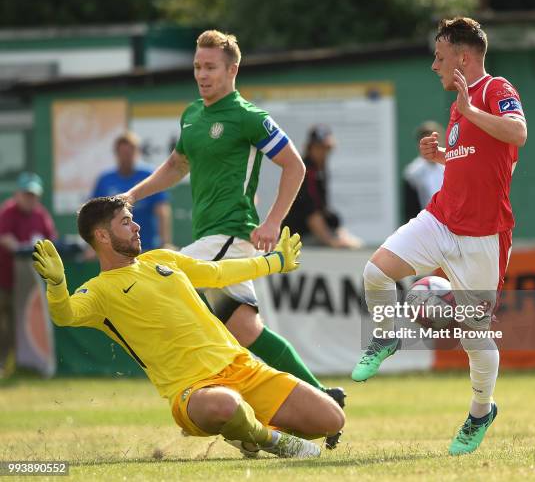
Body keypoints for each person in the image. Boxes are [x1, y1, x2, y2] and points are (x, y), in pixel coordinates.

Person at [120, 30, 346, 448]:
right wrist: (132, 195)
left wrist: (272, 222)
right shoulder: (191, 115)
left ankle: (217, 400)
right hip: (209, 236)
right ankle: (322, 397)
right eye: (197, 67)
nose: (202, 75)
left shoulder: (247, 116)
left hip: (230, 233)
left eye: (210, 67)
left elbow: (294, 166)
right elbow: (176, 164)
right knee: (245, 329)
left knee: (167, 278)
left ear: (232, 70)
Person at [32, 196, 344, 458]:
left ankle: (244, 430)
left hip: (243, 368)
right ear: (101, 236)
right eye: (126, 222)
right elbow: (65, 314)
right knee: (225, 405)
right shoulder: (99, 291)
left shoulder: (162, 258)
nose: (137, 226)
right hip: (193, 391)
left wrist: (274, 262)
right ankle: (270, 440)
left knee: (332, 419)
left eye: (132, 219)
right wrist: (58, 285)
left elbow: (218, 273)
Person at [351, 17, 527, 455]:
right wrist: (444, 155)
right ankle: (386, 333)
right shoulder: (460, 105)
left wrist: (469, 113)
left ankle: (481, 410)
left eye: (440, 56)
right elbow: (477, 159)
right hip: (442, 217)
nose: (434, 65)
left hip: (484, 235)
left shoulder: (494, 89)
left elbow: (518, 135)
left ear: (463, 58)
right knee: (376, 272)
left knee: (475, 336)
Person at [0, 172, 57, 378]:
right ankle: (4, 366)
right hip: (5, 279)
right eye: (26, 194)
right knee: (4, 325)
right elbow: (5, 239)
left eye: (33, 195)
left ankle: (24, 365)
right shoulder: (7, 212)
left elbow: (51, 240)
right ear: (17, 194)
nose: (30, 198)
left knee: (25, 324)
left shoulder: (41, 215)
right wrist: (21, 248)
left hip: (30, 284)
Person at [284, 125, 363, 248]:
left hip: (310, 234)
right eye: (319, 148)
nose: (323, 152)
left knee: (353, 243)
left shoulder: (319, 169)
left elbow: (323, 209)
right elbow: (311, 214)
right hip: (297, 239)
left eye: (326, 148)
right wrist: (332, 241)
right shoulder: (305, 170)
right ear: (310, 148)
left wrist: (339, 232)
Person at [92, 131, 173, 251]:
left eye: (130, 152)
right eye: (123, 153)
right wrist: (94, 246)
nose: (127, 157)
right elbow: (95, 215)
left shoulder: (148, 176)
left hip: (147, 247)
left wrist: (165, 242)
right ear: (116, 154)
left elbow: (161, 210)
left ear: (137, 152)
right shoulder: (105, 180)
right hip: (114, 249)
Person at [402, 121, 445, 222]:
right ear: (419, 144)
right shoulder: (412, 173)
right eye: (426, 141)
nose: (431, 145)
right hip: (426, 224)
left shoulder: (450, 166)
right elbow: (411, 209)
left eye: (435, 140)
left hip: (452, 225)